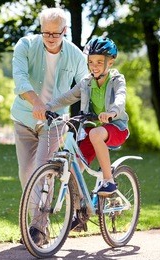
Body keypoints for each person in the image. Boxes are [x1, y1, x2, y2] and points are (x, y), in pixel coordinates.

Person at [11, 7, 88, 245]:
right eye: (46, 33)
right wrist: (36, 102)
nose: (51, 38)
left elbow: (86, 83)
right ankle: (38, 223)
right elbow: (20, 77)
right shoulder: (25, 46)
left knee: (43, 171)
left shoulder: (74, 55)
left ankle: (38, 230)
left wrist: (88, 115)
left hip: (54, 122)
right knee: (26, 174)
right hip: (24, 117)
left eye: (56, 34)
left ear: (65, 31)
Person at [46, 36, 129, 196]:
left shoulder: (117, 80)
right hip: (93, 132)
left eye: (99, 62)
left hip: (116, 128)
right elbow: (68, 96)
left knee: (95, 133)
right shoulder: (87, 82)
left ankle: (109, 181)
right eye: (91, 62)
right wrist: (48, 106)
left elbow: (120, 98)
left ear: (110, 62)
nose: (94, 66)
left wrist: (111, 112)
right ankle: (78, 213)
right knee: (74, 168)